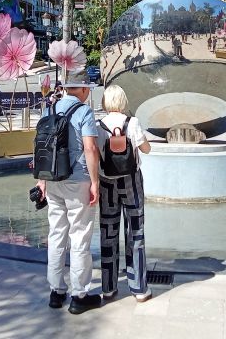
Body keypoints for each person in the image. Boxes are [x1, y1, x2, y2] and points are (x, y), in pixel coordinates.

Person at [34, 70, 102, 315]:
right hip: (78, 180)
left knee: (56, 234)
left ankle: (56, 291)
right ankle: (79, 295)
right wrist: (95, 182)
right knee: (80, 236)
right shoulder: (84, 112)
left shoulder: (49, 109)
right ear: (83, 89)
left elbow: (40, 145)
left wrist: (42, 180)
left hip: (53, 179)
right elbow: (90, 148)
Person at [97, 85, 153, 303]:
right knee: (135, 232)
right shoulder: (133, 122)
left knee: (108, 233)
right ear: (123, 101)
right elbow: (146, 149)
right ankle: (139, 288)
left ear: (105, 102)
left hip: (106, 183)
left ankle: (108, 287)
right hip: (131, 182)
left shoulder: (99, 125)